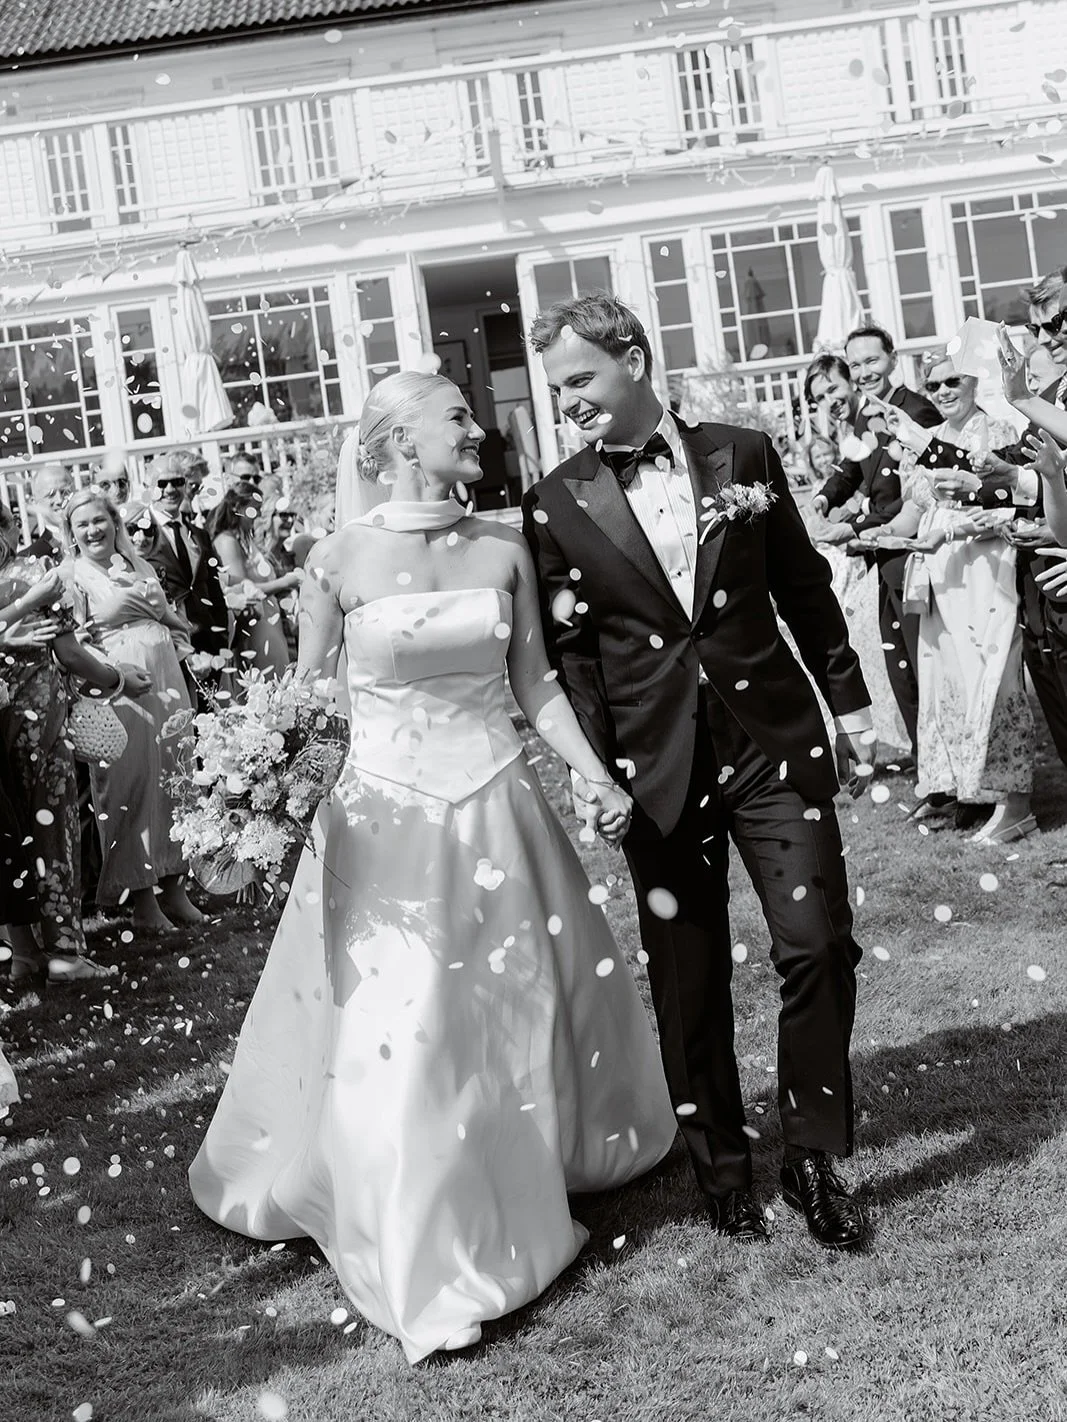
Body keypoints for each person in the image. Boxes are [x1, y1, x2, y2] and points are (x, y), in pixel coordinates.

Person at [189, 370, 677, 1364]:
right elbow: (308, 698)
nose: (478, 429)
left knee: (507, 1010)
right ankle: (423, 1252)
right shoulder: (333, 559)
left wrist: (593, 778)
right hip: (380, 826)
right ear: (400, 438)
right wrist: (261, 779)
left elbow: (533, 684)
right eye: (455, 415)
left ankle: (520, 1170)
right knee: (402, 1029)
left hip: (496, 806)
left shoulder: (504, 544)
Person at [523, 294, 873, 1252]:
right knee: (689, 976)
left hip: (769, 742)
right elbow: (573, 659)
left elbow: (803, 584)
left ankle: (812, 1154)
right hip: (653, 767)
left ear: (633, 357)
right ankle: (721, 1169)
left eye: (582, 380)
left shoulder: (743, 455)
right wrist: (595, 775)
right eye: (559, 391)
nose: (570, 404)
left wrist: (848, 708)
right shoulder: (553, 501)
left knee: (814, 943)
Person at [871, 353, 1034, 844]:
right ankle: (971, 791)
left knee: (995, 677)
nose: (941, 390)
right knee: (951, 682)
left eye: (951, 380)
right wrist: (882, 533)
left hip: (985, 569)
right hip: (941, 575)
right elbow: (914, 507)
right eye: (933, 383)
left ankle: (1015, 802)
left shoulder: (999, 429)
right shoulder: (933, 439)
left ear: (973, 381)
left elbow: (1010, 504)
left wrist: (950, 531)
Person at [0, 503, 150, 984]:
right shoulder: (34, 576)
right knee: (53, 834)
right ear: (11, 528)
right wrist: (119, 679)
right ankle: (64, 953)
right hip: (40, 727)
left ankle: (22, 953)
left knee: (9, 837)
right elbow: (68, 652)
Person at [64, 490, 202, 933]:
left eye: (99, 520)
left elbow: (165, 618)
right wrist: (115, 674)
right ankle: (140, 898)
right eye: (82, 524)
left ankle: (175, 887)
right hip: (121, 687)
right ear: (72, 532)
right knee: (130, 787)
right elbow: (75, 643)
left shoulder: (139, 565)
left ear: (114, 522)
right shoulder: (72, 577)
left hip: (166, 678)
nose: (93, 530)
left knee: (175, 779)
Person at [807, 335, 941, 766]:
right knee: (900, 668)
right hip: (884, 556)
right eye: (856, 364)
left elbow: (915, 498)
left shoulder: (915, 411)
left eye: (871, 361)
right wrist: (824, 499)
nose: (864, 372)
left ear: (892, 359)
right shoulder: (867, 415)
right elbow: (850, 468)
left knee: (924, 667)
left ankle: (946, 777)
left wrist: (850, 527)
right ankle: (931, 775)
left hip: (914, 553)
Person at [207, 482, 296, 685]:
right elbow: (244, 589)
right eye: (253, 509)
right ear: (236, 508)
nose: (257, 515)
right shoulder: (227, 542)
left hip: (270, 620)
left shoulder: (246, 539)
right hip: (256, 626)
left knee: (281, 680)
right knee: (269, 683)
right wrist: (286, 582)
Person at [144, 454, 230, 661]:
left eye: (177, 482)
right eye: (162, 484)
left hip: (208, 645)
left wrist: (222, 637)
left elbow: (214, 589)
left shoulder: (199, 535)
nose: (170, 490)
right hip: (169, 647)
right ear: (148, 487)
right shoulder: (139, 534)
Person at [24, 464, 74, 560]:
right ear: (34, 502)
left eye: (65, 492)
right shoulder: (30, 557)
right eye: (50, 495)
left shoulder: (99, 539)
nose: (59, 500)